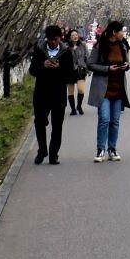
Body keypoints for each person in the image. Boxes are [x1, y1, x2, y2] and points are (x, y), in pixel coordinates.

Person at [29, 24, 80, 165]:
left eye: (55, 39)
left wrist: (59, 67)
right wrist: (43, 65)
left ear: (60, 38)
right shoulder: (39, 50)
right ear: (46, 39)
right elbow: (32, 70)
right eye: (50, 39)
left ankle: (53, 154)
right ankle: (42, 150)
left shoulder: (66, 52)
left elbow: (70, 75)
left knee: (57, 126)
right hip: (41, 93)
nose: (52, 42)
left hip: (58, 94)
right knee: (39, 122)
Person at [88, 18, 130, 162]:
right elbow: (90, 64)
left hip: (118, 88)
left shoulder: (122, 45)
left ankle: (112, 149)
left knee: (115, 121)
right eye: (121, 31)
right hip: (104, 89)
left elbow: (127, 62)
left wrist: (126, 66)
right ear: (114, 32)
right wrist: (107, 69)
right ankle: (100, 150)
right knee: (104, 120)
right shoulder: (100, 46)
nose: (123, 34)